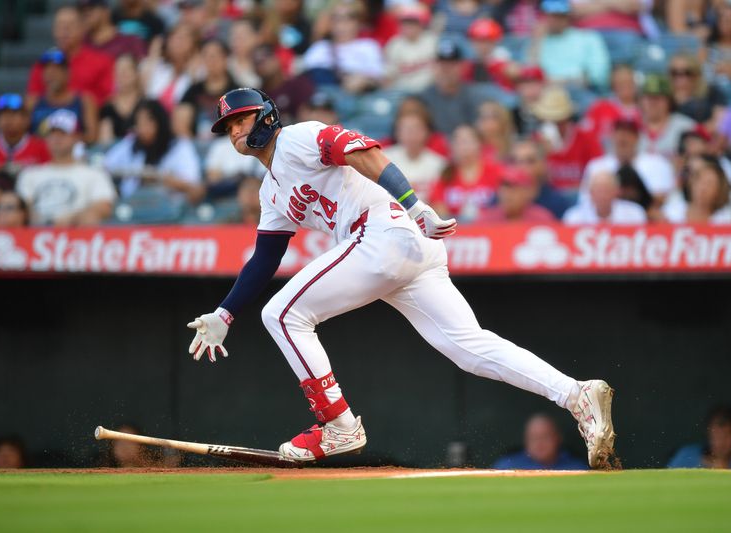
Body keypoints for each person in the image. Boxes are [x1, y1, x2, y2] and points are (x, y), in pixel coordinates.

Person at [185, 88, 617, 468]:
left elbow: (365, 152)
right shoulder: (270, 191)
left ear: (265, 114)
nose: (237, 131)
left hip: (383, 230)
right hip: (400, 248)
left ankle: (337, 426)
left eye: (241, 119)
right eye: (229, 127)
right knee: (468, 347)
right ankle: (575, 393)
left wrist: (415, 204)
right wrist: (225, 312)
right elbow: (265, 257)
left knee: (281, 314)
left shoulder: (296, 138)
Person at [17, 110, 116, 226]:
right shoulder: (30, 174)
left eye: (62, 133)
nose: (56, 138)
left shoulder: (94, 174)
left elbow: (104, 207)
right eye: (52, 133)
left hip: (75, 234)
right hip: (34, 232)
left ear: (77, 137)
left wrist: (71, 219)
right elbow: (21, 207)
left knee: (91, 218)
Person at [103, 100, 204, 203]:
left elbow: (194, 187)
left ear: (159, 122)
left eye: (148, 122)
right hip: (134, 206)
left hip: (170, 208)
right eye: (139, 123)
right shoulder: (131, 143)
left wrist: (159, 178)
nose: (143, 128)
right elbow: (106, 166)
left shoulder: (179, 146)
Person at [582, 118, 675, 214]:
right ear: (612, 137)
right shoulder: (597, 165)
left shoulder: (657, 163)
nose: (622, 138)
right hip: (607, 218)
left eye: (628, 134)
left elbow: (665, 198)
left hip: (649, 218)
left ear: (637, 137)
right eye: (618, 133)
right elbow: (586, 200)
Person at [26, 6, 115, 106]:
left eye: (70, 25)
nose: (64, 31)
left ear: (83, 29)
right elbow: (32, 101)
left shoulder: (102, 62)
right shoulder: (43, 65)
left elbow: (108, 99)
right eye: (60, 26)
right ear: (53, 30)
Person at [532, 86, 603, 195]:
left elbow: (599, 173)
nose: (552, 125)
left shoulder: (586, 138)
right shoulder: (537, 142)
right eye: (547, 121)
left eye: (557, 121)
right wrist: (542, 156)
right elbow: (533, 181)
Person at [527, 0, 611, 92]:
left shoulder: (587, 38)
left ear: (568, 16)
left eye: (558, 15)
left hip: (580, 90)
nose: (553, 20)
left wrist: (566, 82)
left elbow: (599, 76)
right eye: (549, 15)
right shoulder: (538, 41)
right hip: (545, 92)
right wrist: (537, 42)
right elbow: (530, 74)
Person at [302, 1, 384, 94]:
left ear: (359, 22)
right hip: (322, 96)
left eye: (349, 18)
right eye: (337, 19)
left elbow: (379, 78)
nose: (342, 24)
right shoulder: (320, 48)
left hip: (357, 97)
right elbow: (304, 77)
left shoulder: (369, 46)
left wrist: (363, 81)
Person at [429, 124, 502, 222]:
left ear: (479, 144)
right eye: (459, 142)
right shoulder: (446, 174)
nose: (464, 147)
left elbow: (504, 203)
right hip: (456, 230)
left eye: (468, 141)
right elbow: (438, 205)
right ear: (452, 146)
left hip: (489, 227)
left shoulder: (495, 171)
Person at [29, 48, 99, 144]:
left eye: (56, 70)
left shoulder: (84, 100)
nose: (51, 74)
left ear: (67, 73)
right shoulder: (33, 102)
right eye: (47, 70)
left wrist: (62, 141)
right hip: (41, 156)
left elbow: (92, 137)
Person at [175, 39, 240, 139]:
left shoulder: (237, 92)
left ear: (225, 59)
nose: (211, 61)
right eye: (207, 56)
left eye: (215, 56)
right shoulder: (193, 90)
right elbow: (180, 123)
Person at [418, 39, 484, 136]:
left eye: (452, 64)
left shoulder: (474, 97)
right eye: (442, 64)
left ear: (462, 67)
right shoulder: (424, 98)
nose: (446, 70)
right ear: (434, 66)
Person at [382, 111, 446, 203]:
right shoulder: (384, 158)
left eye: (416, 129)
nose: (411, 134)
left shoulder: (439, 164)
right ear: (397, 132)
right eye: (407, 129)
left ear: (427, 132)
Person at [662, 155, 731, 224]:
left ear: (719, 190)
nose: (703, 188)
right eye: (700, 181)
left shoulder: (725, 220)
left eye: (709, 184)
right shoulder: (671, 213)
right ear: (692, 183)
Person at [140, 22, 202, 114]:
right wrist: (153, 57)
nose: (179, 42)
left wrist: (193, 74)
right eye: (175, 37)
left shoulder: (200, 70)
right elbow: (142, 93)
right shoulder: (153, 65)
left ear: (194, 43)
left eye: (184, 37)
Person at [668, 405, 731, 469]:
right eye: (715, 435)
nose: (720, 442)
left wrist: (726, 471)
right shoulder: (686, 456)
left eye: (726, 436)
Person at [493, 414, 588, 470]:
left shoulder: (576, 467)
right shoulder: (508, 466)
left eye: (545, 437)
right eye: (533, 438)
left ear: (557, 438)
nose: (539, 443)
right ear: (525, 440)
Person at [0, 93, 51, 176]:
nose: (7, 118)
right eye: (2, 114)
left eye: (13, 114)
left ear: (27, 119)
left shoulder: (41, 146)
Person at [253, 44, 315, 126]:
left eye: (264, 60)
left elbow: (310, 116)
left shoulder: (298, 84)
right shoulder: (257, 96)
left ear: (276, 59)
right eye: (257, 63)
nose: (261, 66)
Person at [582, 64, 641, 150]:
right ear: (613, 85)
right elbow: (584, 135)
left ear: (634, 83)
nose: (625, 86)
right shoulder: (600, 107)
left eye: (628, 82)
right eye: (620, 83)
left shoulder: (644, 109)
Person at [509, 139, 572, 219]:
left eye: (530, 161)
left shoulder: (557, 203)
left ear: (542, 165)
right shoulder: (499, 200)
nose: (521, 167)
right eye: (515, 161)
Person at [639, 74, 696, 158]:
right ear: (641, 100)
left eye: (658, 98)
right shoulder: (630, 126)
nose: (653, 103)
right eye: (649, 98)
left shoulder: (686, 126)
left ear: (669, 101)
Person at [383, 4, 436, 93]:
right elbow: (388, 76)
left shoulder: (432, 41)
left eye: (412, 23)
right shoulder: (395, 44)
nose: (408, 26)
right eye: (405, 22)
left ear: (421, 24)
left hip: (429, 91)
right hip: (401, 92)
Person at [563, 170, 647, 225]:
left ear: (617, 192)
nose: (602, 195)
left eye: (607, 190)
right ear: (590, 193)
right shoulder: (574, 217)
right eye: (598, 191)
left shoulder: (634, 214)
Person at [477, 166, 556, 223]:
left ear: (526, 192)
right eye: (503, 188)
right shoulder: (487, 219)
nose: (506, 194)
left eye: (513, 188)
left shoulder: (541, 218)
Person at [668, 54, 727, 128]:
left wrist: (696, 132)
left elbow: (720, 123)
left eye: (687, 73)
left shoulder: (712, 93)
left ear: (696, 74)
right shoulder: (664, 99)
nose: (680, 78)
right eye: (675, 73)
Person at [98, 55, 145, 143]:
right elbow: (105, 142)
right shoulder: (107, 107)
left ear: (136, 73)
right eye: (118, 70)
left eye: (127, 69)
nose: (122, 73)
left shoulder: (147, 104)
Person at [80, 0, 146, 60]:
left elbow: (142, 67)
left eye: (91, 9)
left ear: (106, 11)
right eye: (83, 10)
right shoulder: (81, 42)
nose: (87, 13)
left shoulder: (129, 40)